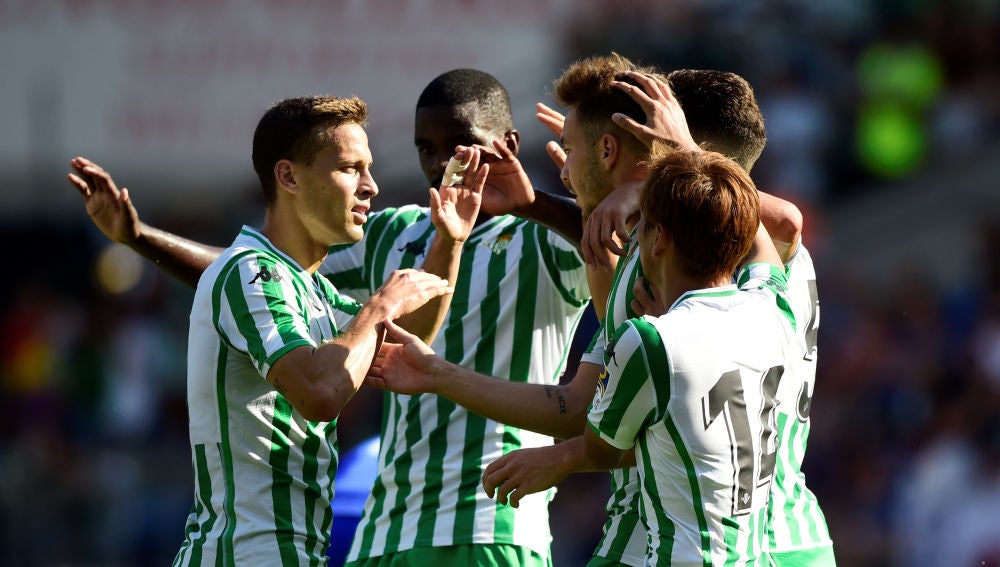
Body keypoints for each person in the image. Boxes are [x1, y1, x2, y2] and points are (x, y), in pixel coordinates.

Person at [68, 70, 592, 566]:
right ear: (289, 178)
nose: (437, 165)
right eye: (424, 149)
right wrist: (141, 240)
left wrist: (460, 238)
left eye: (458, 145)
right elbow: (265, 296)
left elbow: (410, 337)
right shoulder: (356, 247)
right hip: (354, 533)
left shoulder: (542, 238)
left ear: (509, 144)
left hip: (488, 526)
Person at [367, 55, 832, 565]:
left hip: (724, 538)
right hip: (726, 533)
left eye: (570, 150)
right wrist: (544, 203)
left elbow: (784, 219)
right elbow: (583, 402)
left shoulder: (714, 283)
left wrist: (663, 162)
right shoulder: (708, 282)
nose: (562, 170)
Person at [584, 147, 796, 566]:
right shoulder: (774, 307)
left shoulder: (649, 340)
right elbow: (764, 249)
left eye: (642, 226)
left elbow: (601, 451)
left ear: (659, 237)